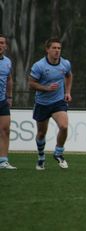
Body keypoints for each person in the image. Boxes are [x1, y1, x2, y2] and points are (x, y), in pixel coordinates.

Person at [28, 37, 73, 170]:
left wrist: (68, 92)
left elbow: (69, 75)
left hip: (58, 102)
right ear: (47, 49)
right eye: (54, 48)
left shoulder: (65, 64)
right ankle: (41, 157)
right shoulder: (39, 66)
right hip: (42, 103)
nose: (57, 51)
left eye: (59, 48)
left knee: (64, 126)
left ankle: (58, 153)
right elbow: (31, 84)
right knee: (41, 133)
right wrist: (46, 88)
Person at [0, 34, 16, 170]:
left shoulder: (7, 62)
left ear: (5, 46)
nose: (0, 45)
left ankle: (3, 161)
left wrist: (9, 97)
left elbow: (9, 79)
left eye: (2, 43)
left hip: (2, 102)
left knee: (5, 130)